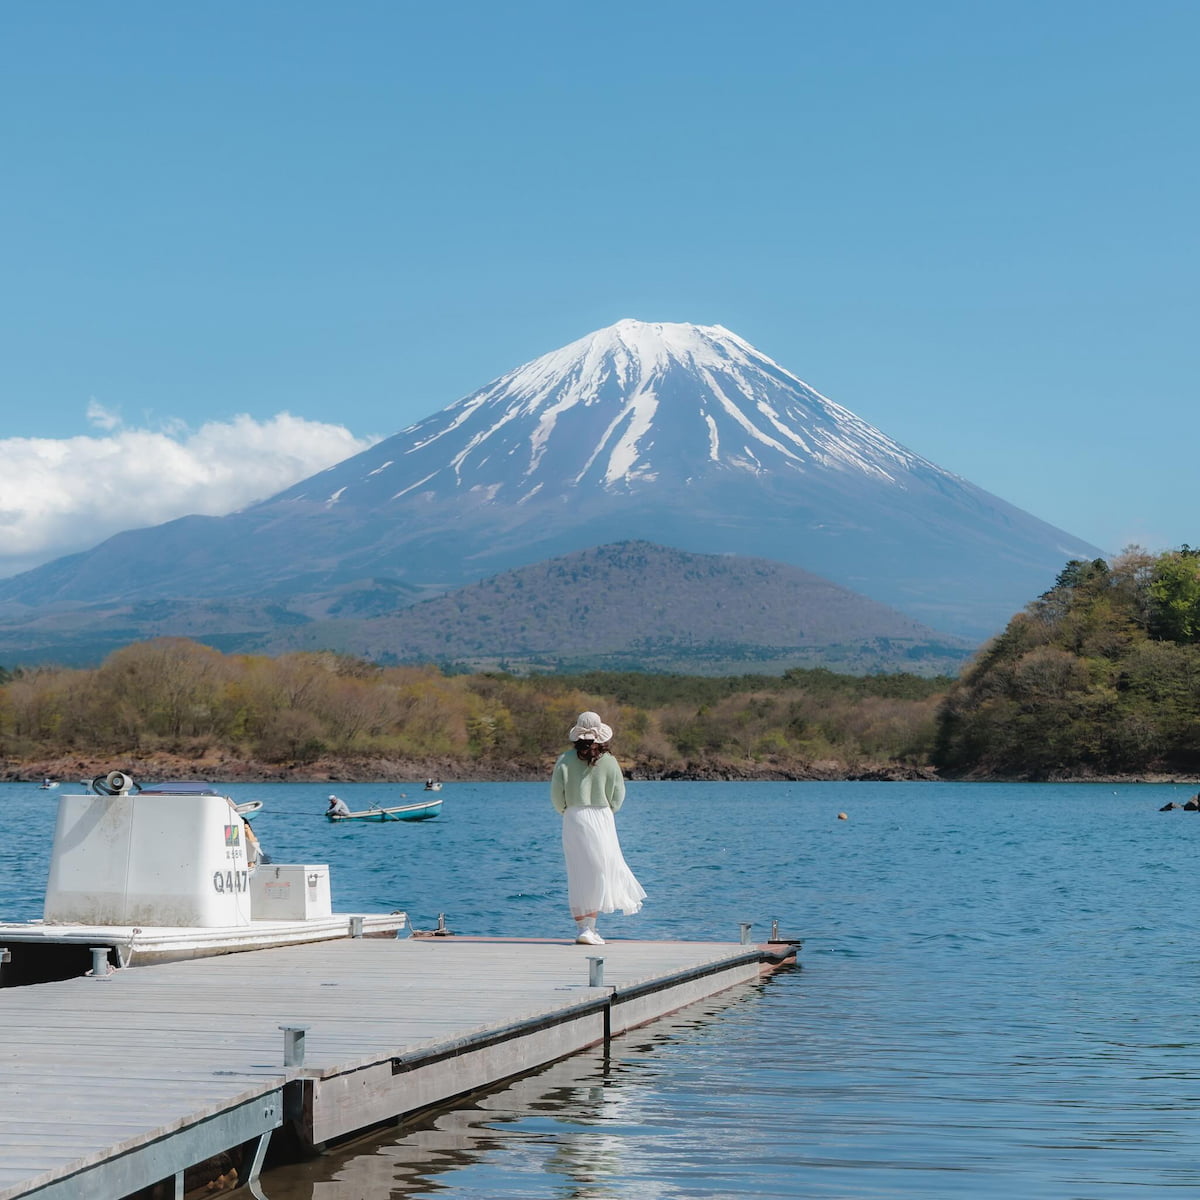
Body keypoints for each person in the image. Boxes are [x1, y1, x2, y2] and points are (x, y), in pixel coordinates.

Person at [550, 710, 646, 945]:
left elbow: (556, 794)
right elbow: (618, 794)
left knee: (578, 870)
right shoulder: (609, 761)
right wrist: (607, 811)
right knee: (601, 870)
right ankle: (589, 928)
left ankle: (583, 927)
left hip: (573, 816)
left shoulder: (564, 760)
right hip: (602, 816)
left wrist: (568, 810)